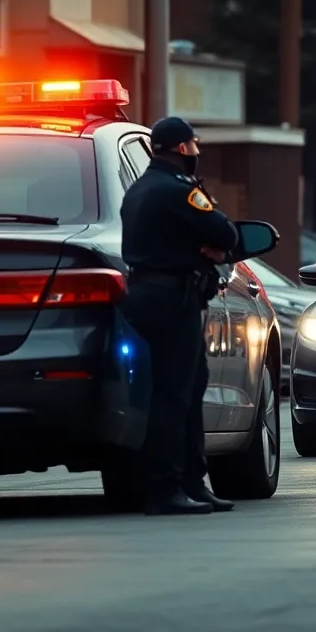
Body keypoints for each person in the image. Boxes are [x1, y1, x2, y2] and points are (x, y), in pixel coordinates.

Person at [120, 116, 240, 515]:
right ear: (182, 148)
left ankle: (192, 483)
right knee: (176, 395)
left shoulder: (138, 189)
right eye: (194, 145)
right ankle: (167, 488)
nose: (196, 152)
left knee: (181, 389)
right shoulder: (179, 190)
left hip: (145, 297)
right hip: (174, 301)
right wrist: (208, 246)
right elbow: (226, 234)